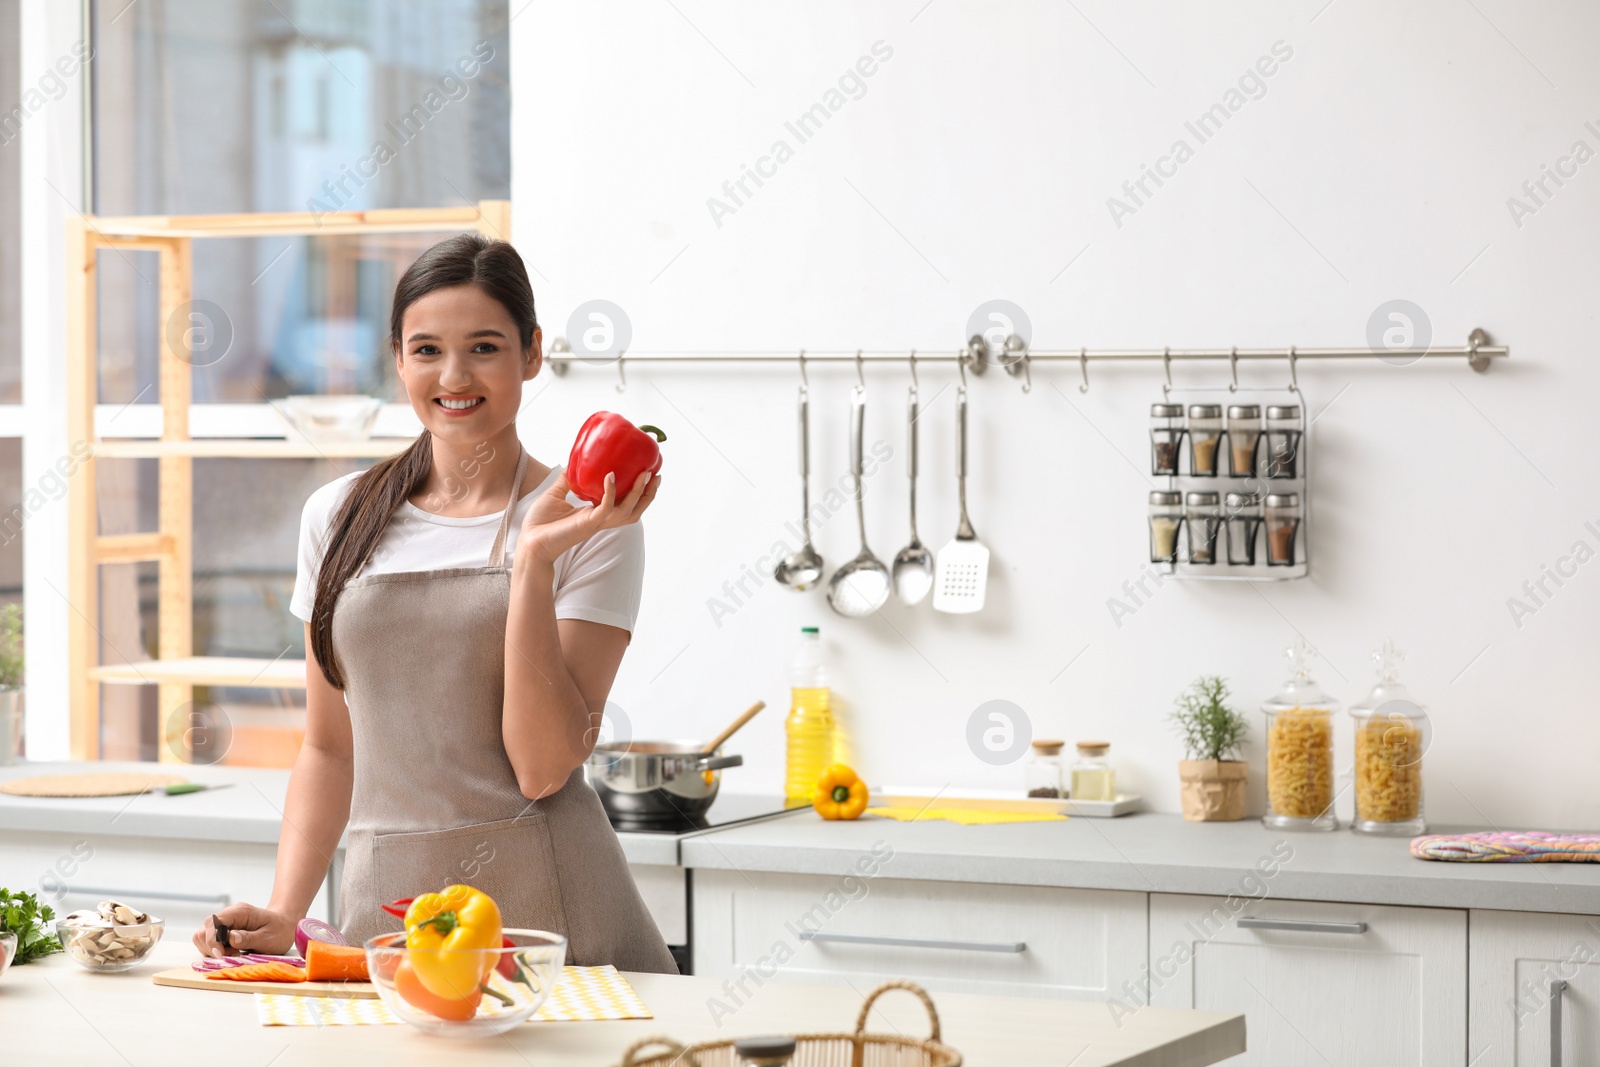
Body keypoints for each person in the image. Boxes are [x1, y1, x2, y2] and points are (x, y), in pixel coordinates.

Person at [191, 233, 676, 972]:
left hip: (557, 932)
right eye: (426, 350)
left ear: (532, 353)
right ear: (397, 358)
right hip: (389, 927)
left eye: (484, 346)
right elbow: (329, 748)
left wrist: (534, 562)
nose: (454, 375)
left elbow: (544, 765)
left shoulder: (592, 527)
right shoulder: (339, 516)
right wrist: (287, 913)